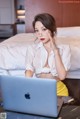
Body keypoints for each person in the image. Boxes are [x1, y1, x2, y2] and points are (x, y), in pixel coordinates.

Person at [25, 13, 71, 96]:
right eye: (37, 30)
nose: (40, 34)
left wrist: (55, 51)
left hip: (58, 91)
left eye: (44, 29)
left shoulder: (65, 49)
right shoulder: (32, 49)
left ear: (52, 29)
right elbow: (29, 69)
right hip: (38, 89)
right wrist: (27, 84)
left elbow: (62, 76)